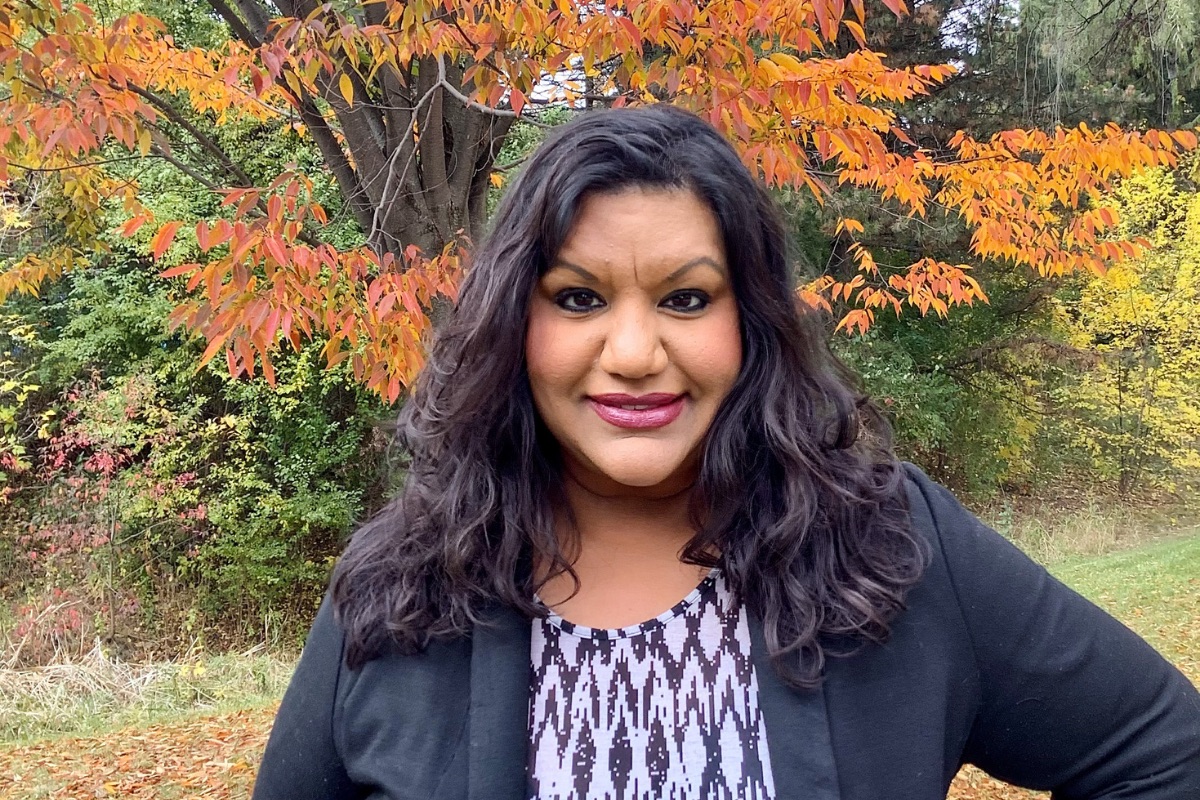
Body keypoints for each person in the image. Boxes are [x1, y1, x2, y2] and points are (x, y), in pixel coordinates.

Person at [252, 104, 1200, 800]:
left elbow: (1166, 755)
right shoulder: (398, 586)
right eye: (578, 297)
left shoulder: (890, 548)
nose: (632, 355)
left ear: (751, 321)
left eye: (687, 298)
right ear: (513, 321)